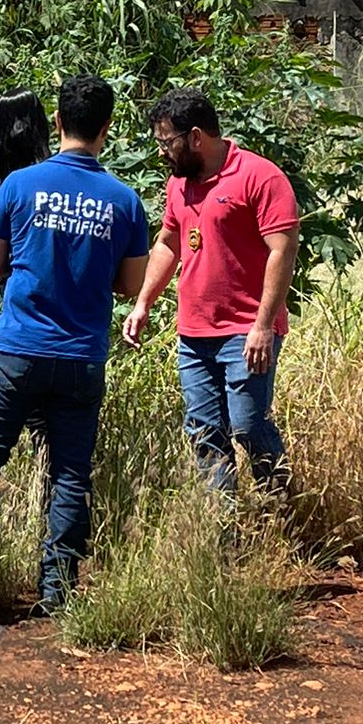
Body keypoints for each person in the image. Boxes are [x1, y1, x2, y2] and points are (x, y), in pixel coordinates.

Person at [0, 75, 149, 619]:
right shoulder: (125, 201)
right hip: (81, 356)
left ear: (57, 122)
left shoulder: (19, 186)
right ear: (107, 128)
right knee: (70, 469)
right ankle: (58, 588)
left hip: (17, 349)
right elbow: (129, 284)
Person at [122, 87, 300, 500]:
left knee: (247, 426)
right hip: (194, 334)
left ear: (196, 137)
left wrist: (262, 326)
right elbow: (169, 243)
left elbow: (282, 251)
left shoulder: (260, 177)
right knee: (205, 434)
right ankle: (224, 536)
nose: (162, 151)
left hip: (247, 331)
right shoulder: (178, 185)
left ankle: (282, 509)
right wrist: (143, 303)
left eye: (167, 142)